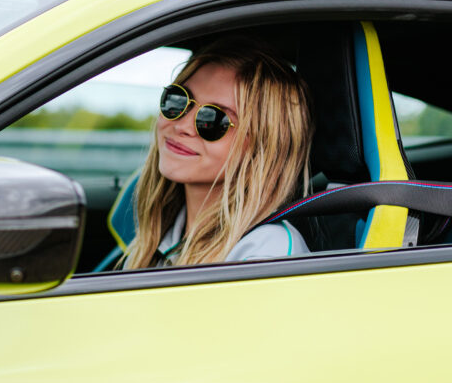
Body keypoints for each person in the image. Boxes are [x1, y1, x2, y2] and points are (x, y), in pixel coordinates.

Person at [123, 36, 314, 269]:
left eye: (212, 119)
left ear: (261, 148)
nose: (182, 125)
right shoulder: (161, 236)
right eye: (178, 101)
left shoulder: (266, 251)